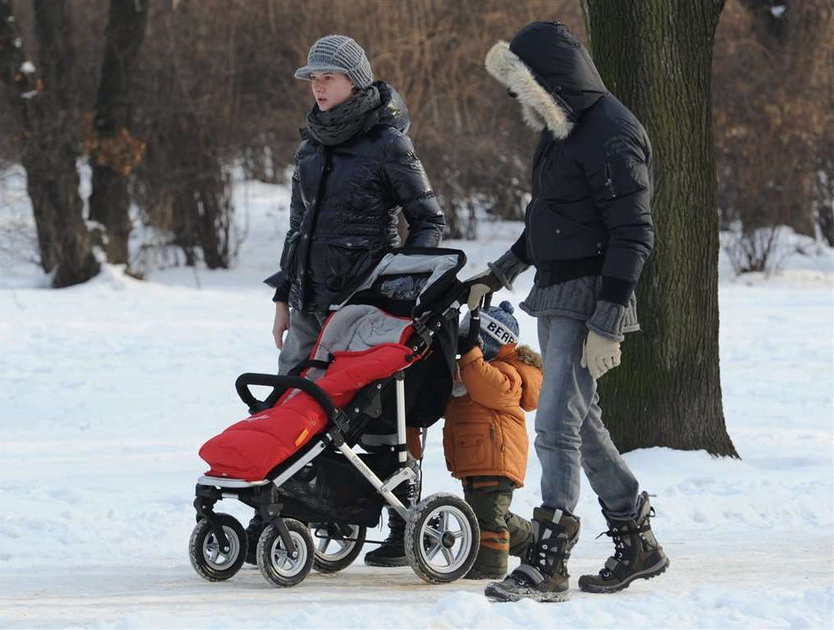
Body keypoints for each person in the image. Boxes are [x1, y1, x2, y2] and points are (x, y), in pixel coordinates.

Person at [465, 22, 668, 602]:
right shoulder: (561, 132)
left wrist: (608, 321)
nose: (518, 101)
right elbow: (549, 221)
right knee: (581, 422)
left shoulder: (611, 132)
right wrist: (501, 270)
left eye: (525, 87)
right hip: (556, 291)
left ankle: (549, 560)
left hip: (591, 296)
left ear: (552, 81)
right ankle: (637, 539)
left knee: (554, 422)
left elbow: (633, 232)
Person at [252, 34, 445, 565]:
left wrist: (399, 290)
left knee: (377, 412)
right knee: (288, 402)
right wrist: (284, 298)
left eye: (327, 76)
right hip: (310, 302)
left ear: (354, 81)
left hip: (365, 309)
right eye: (312, 77)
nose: (317, 85)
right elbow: (298, 229)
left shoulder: (388, 143)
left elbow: (429, 221)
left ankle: (402, 522)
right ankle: (276, 510)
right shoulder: (311, 145)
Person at [443, 301, 541, 580]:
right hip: (475, 455)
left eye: (470, 338)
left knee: (489, 515)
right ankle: (534, 540)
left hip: (496, 456)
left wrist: (469, 352)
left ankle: (491, 566)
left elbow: (484, 383)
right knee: (486, 514)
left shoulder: (507, 372)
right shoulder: (473, 368)